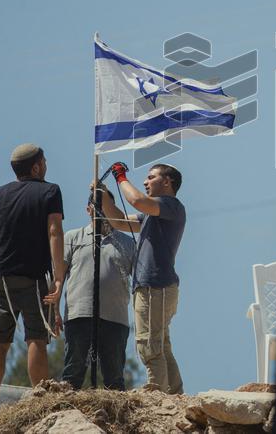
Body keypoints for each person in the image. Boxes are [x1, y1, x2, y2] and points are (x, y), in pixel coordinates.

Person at [0, 143, 64, 409]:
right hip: (34, 277)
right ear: (36, 167)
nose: (46, 165)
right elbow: (54, 233)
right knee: (36, 338)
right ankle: (40, 402)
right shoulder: (50, 191)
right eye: (44, 161)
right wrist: (58, 279)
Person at [94, 162, 186, 394]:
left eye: (151, 177)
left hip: (155, 286)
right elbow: (117, 221)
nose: (145, 181)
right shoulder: (153, 214)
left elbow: (136, 201)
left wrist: (120, 176)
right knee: (161, 346)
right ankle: (175, 396)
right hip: (154, 286)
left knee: (149, 345)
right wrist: (103, 195)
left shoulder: (171, 205)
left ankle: (157, 394)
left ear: (167, 182)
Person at [60, 198, 134, 389]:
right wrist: (53, 311)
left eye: (106, 206)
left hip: (115, 317)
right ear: (88, 209)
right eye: (97, 205)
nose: (101, 210)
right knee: (72, 372)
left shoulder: (128, 243)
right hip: (80, 313)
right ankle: (66, 413)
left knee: (114, 376)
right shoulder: (72, 238)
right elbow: (57, 276)